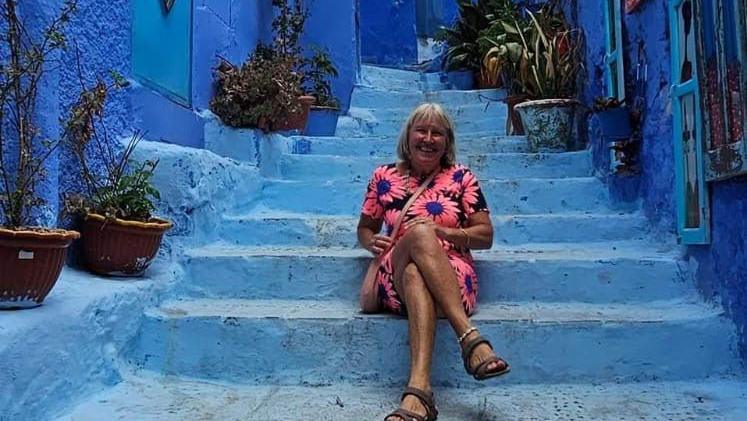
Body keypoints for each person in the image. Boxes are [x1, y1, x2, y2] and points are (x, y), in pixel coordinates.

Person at [357, 103, 510, 421]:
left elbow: (485, 236)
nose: (428, 138)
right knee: (417, 240)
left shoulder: (462, 178)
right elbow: (365, 228)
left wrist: (444, 231)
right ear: (408, 137)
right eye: (421, 130)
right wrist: (371, 241)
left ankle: (419, 391)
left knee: (418, 270)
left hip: (454, 276)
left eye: (436, 133)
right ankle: (470, 338)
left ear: (447, 141)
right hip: (393, 275)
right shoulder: (383, 177)